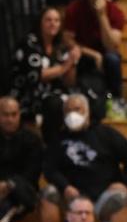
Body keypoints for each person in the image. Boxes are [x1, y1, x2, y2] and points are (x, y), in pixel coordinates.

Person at [42, 94, 127, 222]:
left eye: (77, 109)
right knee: (48, 194)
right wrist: (65, 187)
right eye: (67, 111)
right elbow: (49, 169)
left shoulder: (105, 134)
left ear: (87, 111)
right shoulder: (58, 139)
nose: (72, 114)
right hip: (71, 200)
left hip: (102, 199)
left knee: (121, 199)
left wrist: (125, 183)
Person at [10, 7, 81, 137]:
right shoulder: (29, 43)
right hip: (29, 92)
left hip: (54, 92)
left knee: (79, 102)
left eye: (56, 20)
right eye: (48, 20)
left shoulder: (60, 45)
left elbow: (70, 82)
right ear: (40, 23)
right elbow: (37, 75)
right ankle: (51, 144)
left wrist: (74, 60)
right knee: (54, 104)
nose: (53, 23)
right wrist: (66, 65)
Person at [63, 0, 126, 102]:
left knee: (113, 59)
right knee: (70, 56)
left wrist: (101, 15)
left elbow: (111, 45)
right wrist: (94, 54)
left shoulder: (116, 12)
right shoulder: (74, 8)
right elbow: (67, 40)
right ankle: (72, 97)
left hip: (106, 54)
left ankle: (116, 100)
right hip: (82, 52)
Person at [0, 96, 44, 222]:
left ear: (20, 115)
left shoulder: (32, 140)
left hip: (21, 193)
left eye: (14, 114)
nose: (10, 119)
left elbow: (31, 175)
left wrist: (8, 185)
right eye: (5, 115)